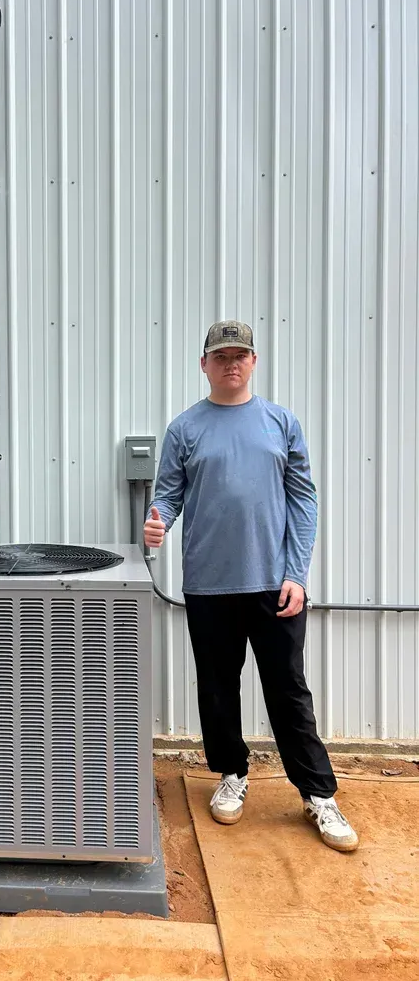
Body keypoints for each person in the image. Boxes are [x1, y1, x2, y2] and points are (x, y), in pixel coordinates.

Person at [144, 322, 358, 853]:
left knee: (288, 688)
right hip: (209, 585)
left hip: (274, 584)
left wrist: (297, 574)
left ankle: (318, 793)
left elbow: (303, 501)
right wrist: (157, 520)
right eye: (221, 356)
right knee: (218, 687)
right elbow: (168, 494)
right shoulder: (185, 428)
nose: (231, 364)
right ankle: (231, 773)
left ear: (254, 361)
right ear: (204, 365)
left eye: (239, 355)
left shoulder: (281, 423)